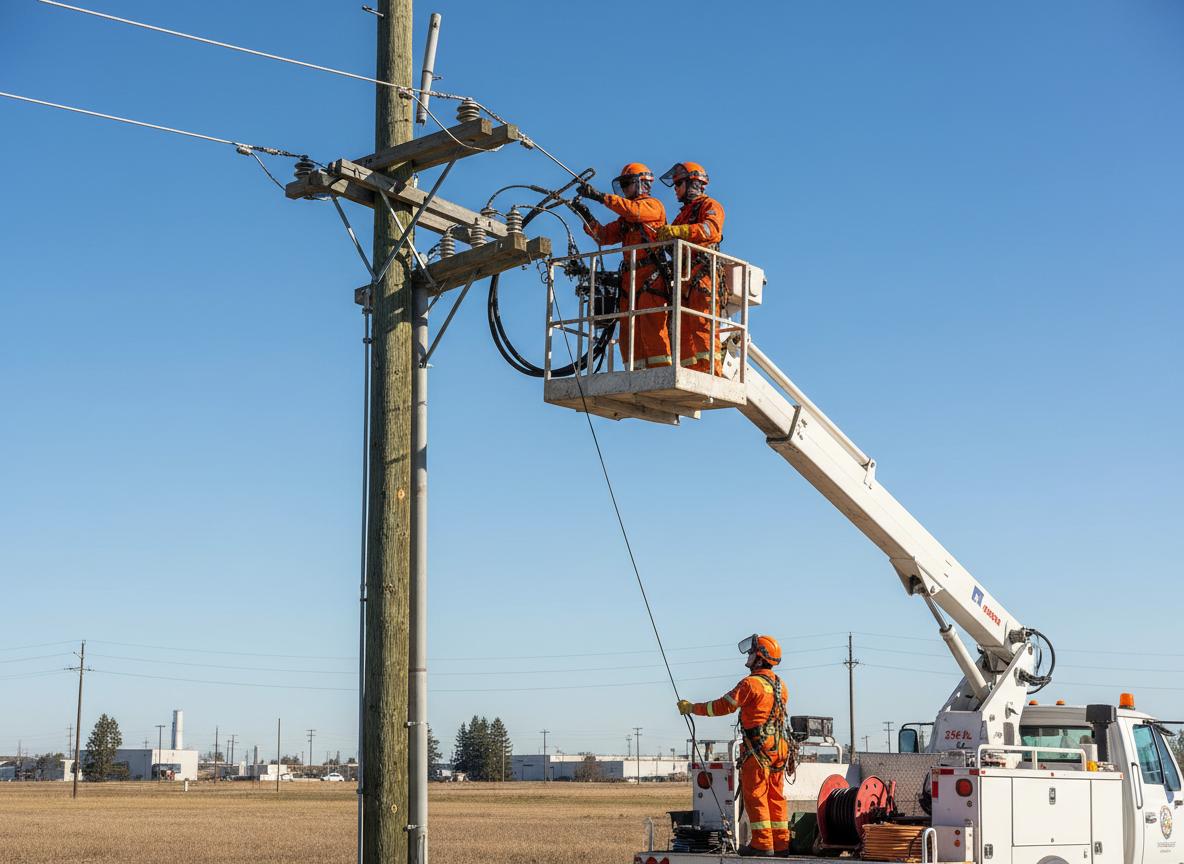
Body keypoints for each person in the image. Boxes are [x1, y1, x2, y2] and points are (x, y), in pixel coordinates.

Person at [678, 634, 791, 857]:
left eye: (751, 652)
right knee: (775, 796)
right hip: (779, 747)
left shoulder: (750, 684)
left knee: (756, 795)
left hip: (758, 749)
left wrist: (692, 708)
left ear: (760, 658)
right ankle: (780, 844)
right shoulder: (780, 685)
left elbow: (722, 706)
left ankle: (763, 844)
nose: (748, 656)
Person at [571, 163, 671, 369]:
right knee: (628, 329)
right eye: (622, 185)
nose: (624, 189)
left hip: (651, 277)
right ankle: (634, 372)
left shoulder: (652, 206)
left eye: (627, 184)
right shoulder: (626, 218)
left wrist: (600, 197)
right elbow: (603, 236)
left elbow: (634, 212)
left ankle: (660, 372)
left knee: (652, 325)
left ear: (642, 184)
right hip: (630, 280)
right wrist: (586, 215)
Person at [655, 162, 725, 374]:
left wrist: (677, 231)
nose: (675, 189)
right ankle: (690, 371)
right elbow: (674, 244)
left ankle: (711, 372)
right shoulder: (683, 214)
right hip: (684, 278)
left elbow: (711, 231)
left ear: (693, 183)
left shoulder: (710, 205)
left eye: (678, 184)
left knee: (703, 323)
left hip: (703, 275)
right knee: (683, 328)